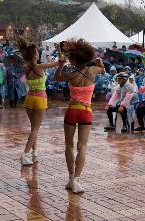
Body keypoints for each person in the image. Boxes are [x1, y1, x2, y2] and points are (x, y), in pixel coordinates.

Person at [53, 39, 104, 194]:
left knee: (69, 145)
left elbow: (57, 77)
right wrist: (100, 61)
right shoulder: (93, 71)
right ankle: (76, 180)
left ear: (74, 58)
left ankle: (70, 178)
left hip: (72, 110)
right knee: (82, 146)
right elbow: (102, 68)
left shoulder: (71, 74)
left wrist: (61, 64)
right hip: (86, 112)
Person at [17, 38, 62, 166]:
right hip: (40, 99)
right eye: (37, 52)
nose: (38, 53)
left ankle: (34, 153)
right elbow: (60, 62)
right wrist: (58, 50)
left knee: (33, 128)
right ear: (34, 55)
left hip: (29, 98)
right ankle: (25, 154)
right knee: (35, 129)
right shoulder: (41, 66)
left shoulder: (25, 68)